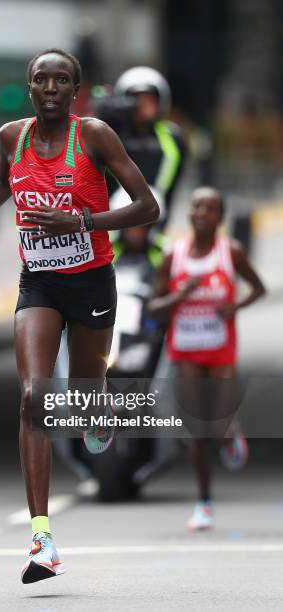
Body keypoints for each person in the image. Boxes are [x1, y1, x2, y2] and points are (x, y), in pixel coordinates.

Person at [0, 48, 159, 583]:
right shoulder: (10, 136)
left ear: (74, 90)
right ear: (30, 87)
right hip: (38, 281)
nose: (49, 87)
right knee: (33, 396)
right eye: (40, 79)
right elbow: (3, 180)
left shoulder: (93, 136)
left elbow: (146, 206)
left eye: (60, 80)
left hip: (91, 279)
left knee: (86, 389)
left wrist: (82, 223)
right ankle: (42, 540)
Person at [148, 186, 266, 530]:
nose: (202, 212)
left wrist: (234, 306)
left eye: (210, 208)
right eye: (197, 206)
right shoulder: (174, 256)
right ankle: (204, 502)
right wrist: (180, 295)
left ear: (220, 217)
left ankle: (231, 432)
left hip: (220, 350)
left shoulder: (232, 252)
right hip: (185, 349)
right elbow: (154, 308)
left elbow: (259, 288)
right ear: (190, 213)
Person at [95, 66, 186, 226]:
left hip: (156, 216)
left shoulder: (173, 137)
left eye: (149, 100)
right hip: (115, 220)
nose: (143, 107)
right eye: (137, 101)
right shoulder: (110, 134)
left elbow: (172, 188)